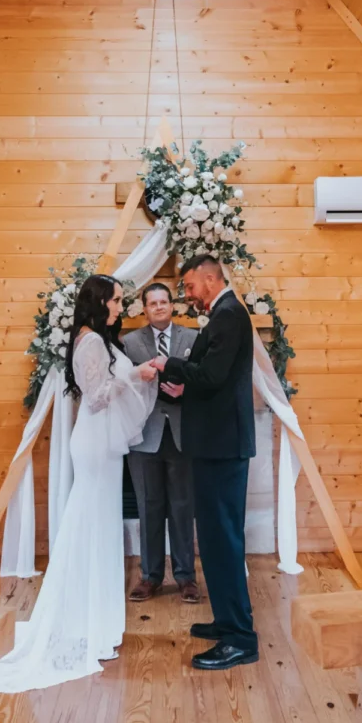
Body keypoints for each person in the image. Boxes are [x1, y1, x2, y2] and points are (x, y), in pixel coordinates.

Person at [0, 274, 159, 694]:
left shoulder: (92, 339)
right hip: (94, 443)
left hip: (99, 442)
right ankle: (79, 623)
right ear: (100, 302)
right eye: (117, 301)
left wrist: (135, 374)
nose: (122, 307)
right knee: (88, 529)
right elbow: (97, 395)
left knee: (99, 530)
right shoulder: (92, 342)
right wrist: (134, 375)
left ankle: (94, 624)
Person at [151, 254, 259, 671]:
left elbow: (211, 376)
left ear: (211, 279)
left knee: (224, 541)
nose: (188, 296)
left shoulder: (230, 315)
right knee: (213, 540)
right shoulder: (223, 315)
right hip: (216, 443)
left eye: (191, 287)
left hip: (223, 446)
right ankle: (228, 621)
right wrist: (185, 391)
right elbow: (215, 381)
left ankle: (240, 639)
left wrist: (168, 364)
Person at [120, 283, 200, 604]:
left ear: (172, 305)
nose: (158, 307)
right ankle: (150, 576)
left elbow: (204, 381)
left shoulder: (193, 339)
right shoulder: (129, 343)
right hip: (143, 435)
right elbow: (122, 387)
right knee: (148, 506)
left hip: (182, 434)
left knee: (182, 506)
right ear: (144, 309)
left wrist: (187, 392)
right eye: (152, 303)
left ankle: (186, 577)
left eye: (163, 301)